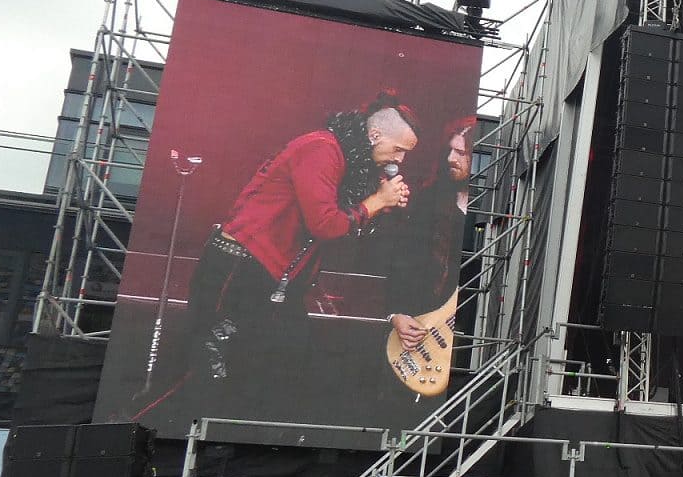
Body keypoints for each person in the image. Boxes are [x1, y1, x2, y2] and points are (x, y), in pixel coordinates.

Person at [174, 94, 416, 394]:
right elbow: (325, 223)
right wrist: (376, 202)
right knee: (212, 370)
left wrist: (380, 206)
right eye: (398, 149)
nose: (399, 160)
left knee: (275, 369)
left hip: (270, 276)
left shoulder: (346, 161)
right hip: (239, 268)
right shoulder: (323, 149)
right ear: (375, 135)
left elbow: (343, 227)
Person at [385, 117, 475, 388]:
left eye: (461, 153)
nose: (451, 159)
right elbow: (400, 259)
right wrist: (396, 313)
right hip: (422, 324)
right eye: (449, 150)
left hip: (468, 332)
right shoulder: (429, 200)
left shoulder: (491, 208)